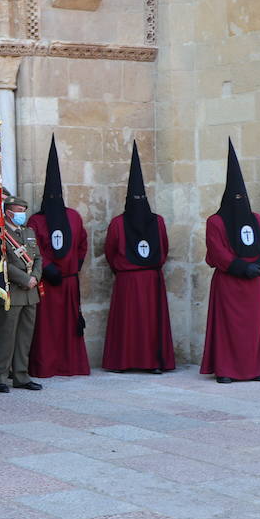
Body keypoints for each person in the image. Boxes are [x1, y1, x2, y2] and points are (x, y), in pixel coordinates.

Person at [201, 140, 260, 383]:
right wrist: (243, 267)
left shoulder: (254, 218)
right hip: (230, 284)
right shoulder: (215, 221)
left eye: (241, 197)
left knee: (253, 329)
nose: (238, 201)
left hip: (254, 284)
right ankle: (226, 370)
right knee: (228, 328)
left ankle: (255, 369)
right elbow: (218, 251)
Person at [103, 142, 175, 374]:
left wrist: (124, 268)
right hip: (142, 278)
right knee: (137, 323)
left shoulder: (123, 222)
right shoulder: (155, 221)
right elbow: (162, 250)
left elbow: (111, 252)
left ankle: (140, 362)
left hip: (134, 279)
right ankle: (143, 363)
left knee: (138, 323)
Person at [27, 137, 90, 378]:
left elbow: (82, 244)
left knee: (64, 326)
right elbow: (34, 248)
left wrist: (74, 266)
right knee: (48, 328)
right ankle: (49, 366)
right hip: (49, 283)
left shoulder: (70, 217)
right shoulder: (38, 220)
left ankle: (66, 365)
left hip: (66, 282)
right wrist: (53, 268)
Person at [0, 196, 44, 393]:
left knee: (24, 337)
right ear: (9, 212)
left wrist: (35, 277)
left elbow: (37, 258)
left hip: (31, 293)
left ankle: (21, 375)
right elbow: (1, 262)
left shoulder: (28, 232)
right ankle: (0, 377)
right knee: (6, 336)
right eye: (18, 210)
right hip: (11, 291)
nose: (21, 214)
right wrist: (24, 278)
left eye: (23, 209)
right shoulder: (0, 234)